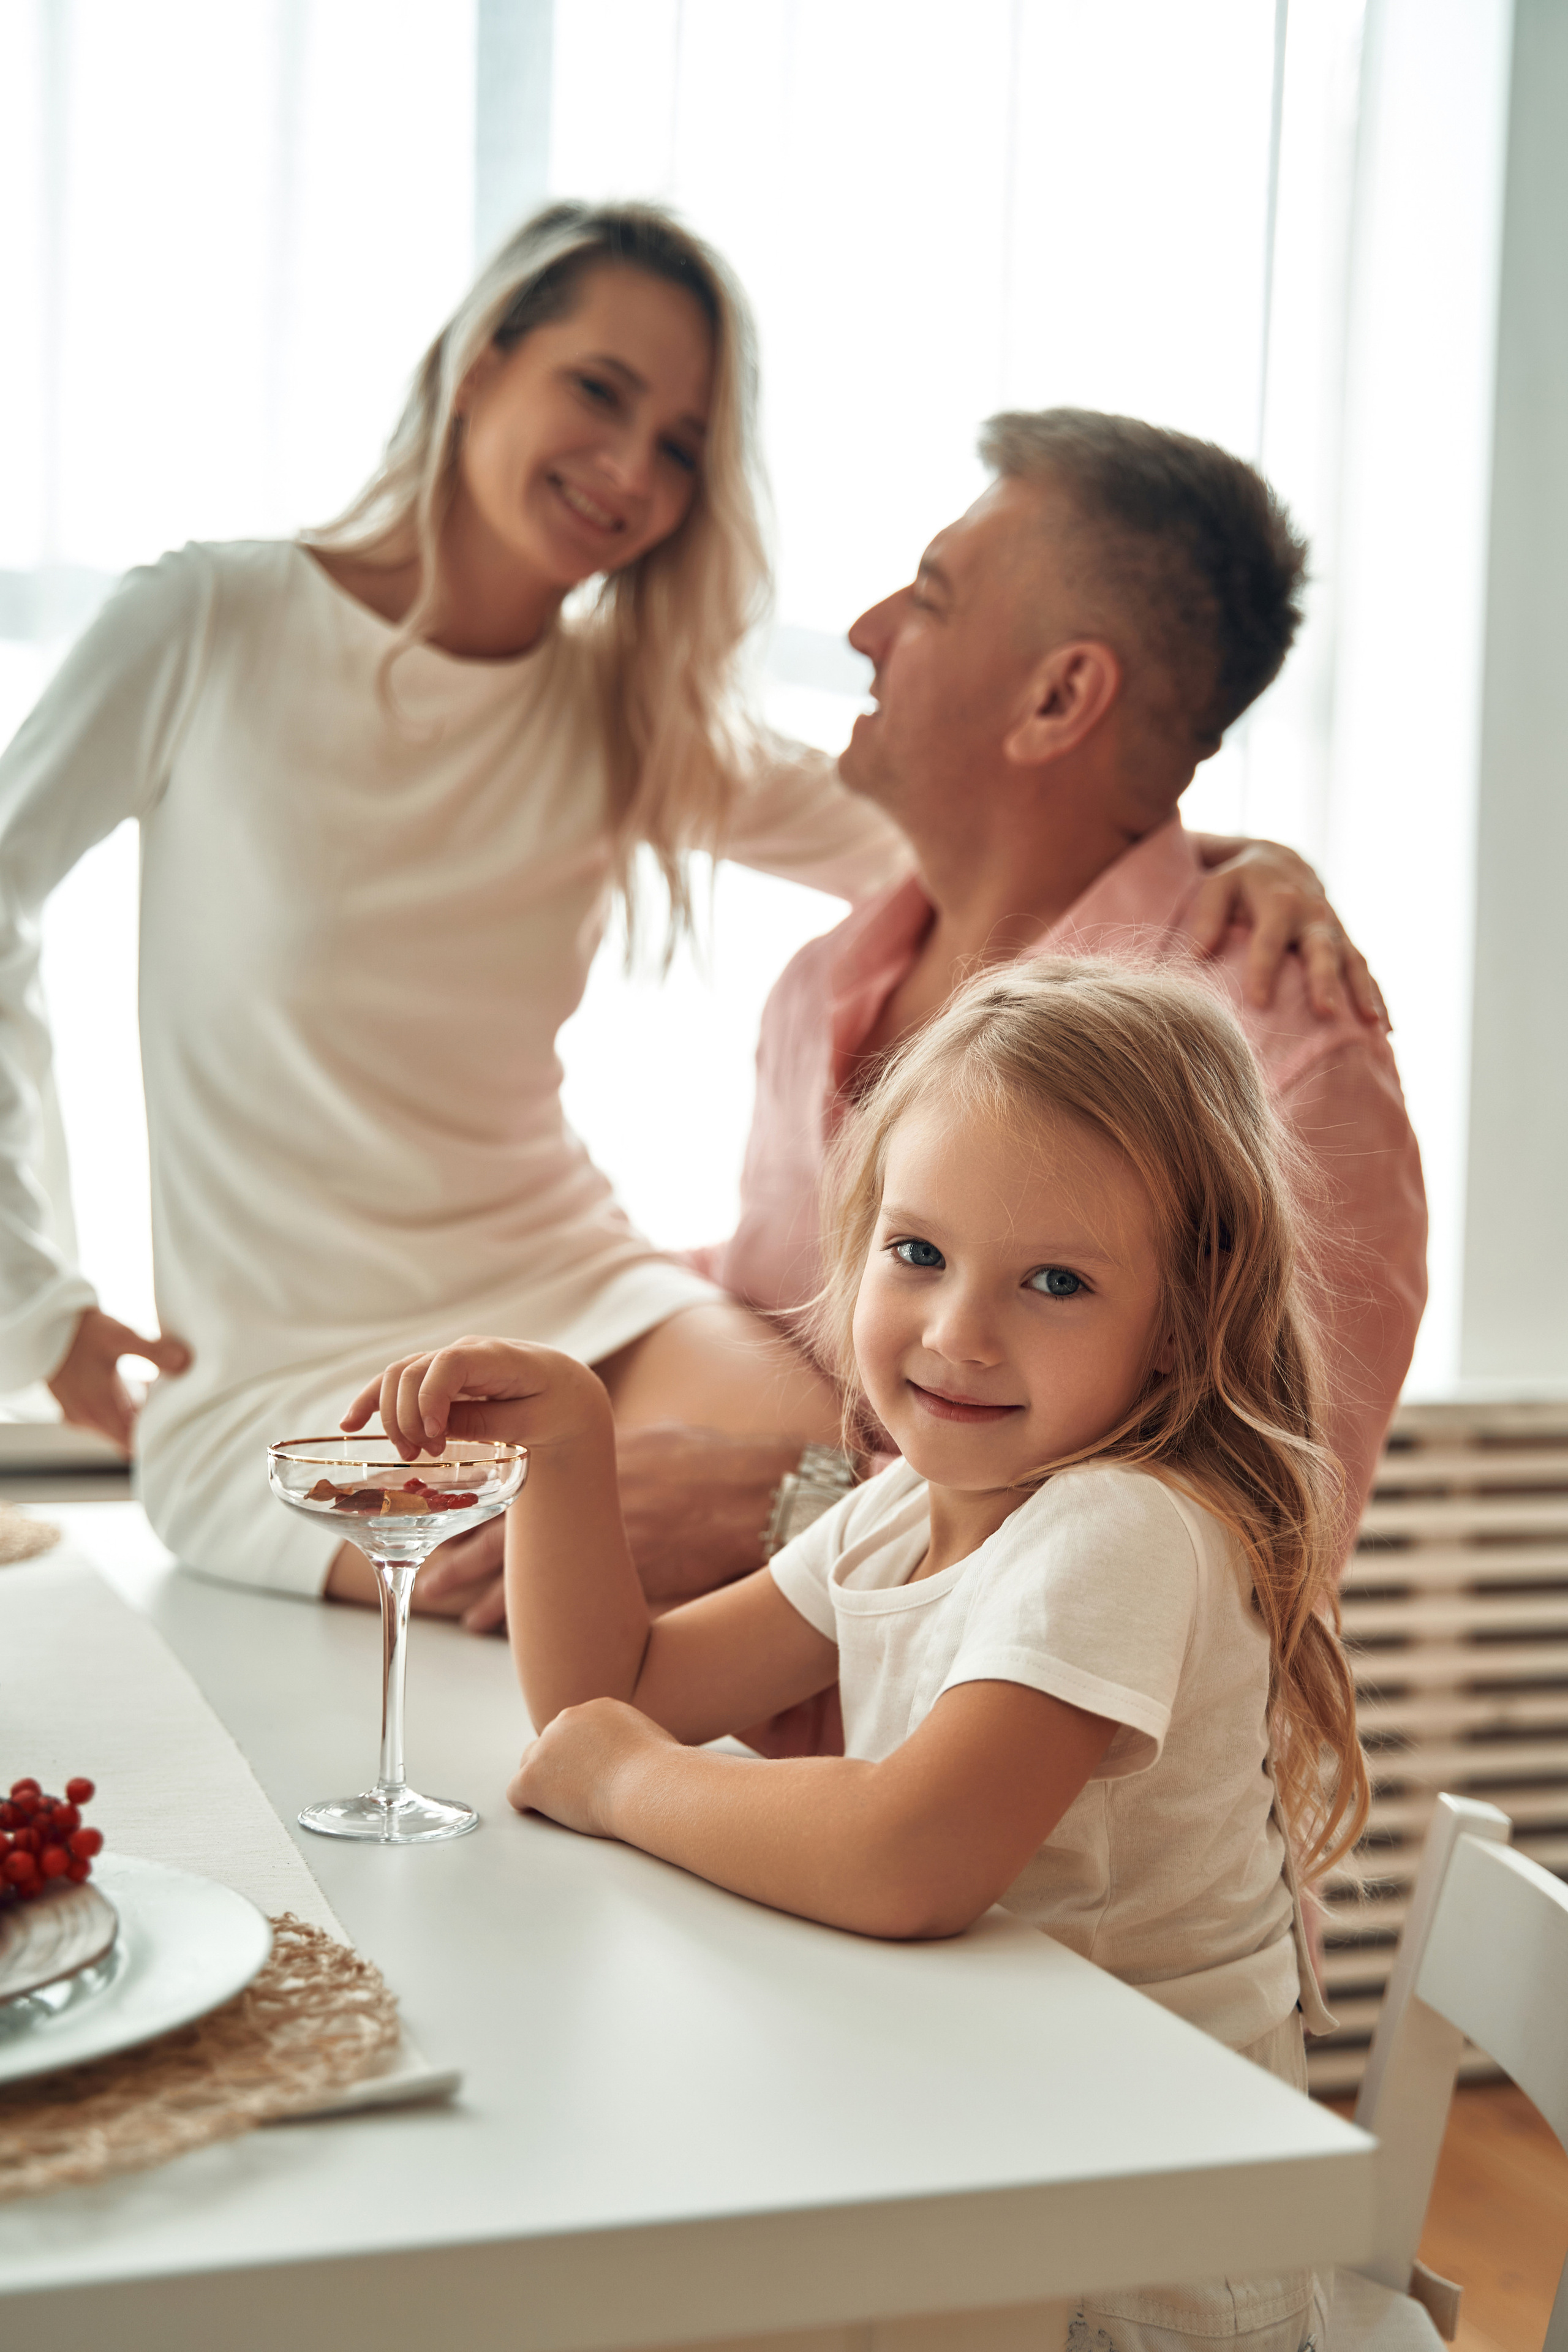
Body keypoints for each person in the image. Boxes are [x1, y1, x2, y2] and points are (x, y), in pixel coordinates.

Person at [0, 207, 1359, 1613]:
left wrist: (1237, 862)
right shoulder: (208, 622)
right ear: (482, 362)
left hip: (579, 1293)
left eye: (679, 446)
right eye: (598, 391)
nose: (628, 469)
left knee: (880, 1500)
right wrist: (34, 1302)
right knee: (538, 1604)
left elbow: (997, 829)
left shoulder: (618, 710)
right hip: (281, 1375)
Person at [349, 957, 1368, 2352]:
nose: (958, 1333)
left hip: (1136, 2260)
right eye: (918, 1254)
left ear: (1180, 1319)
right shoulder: (905, 1506)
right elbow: (617, 1693)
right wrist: (567, 1448)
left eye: (1055, 1281)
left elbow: (908, 1857)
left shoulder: (1123, 1526)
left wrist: (627, 1785)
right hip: (986, 2137)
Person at [603, 410, 1426, 1619]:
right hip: (729, 1756)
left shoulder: (1286, 1062)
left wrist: (805, 1504)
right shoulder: (815, 990)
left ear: (1058, 698)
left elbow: (1247, 1564)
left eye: (929, 598)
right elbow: (777, 1311)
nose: (866, 631)